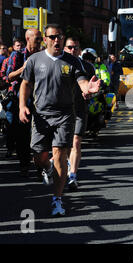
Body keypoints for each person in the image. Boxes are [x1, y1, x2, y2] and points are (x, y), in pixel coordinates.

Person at [19, 24, 101, 216]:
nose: (57, 40)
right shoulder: (34, 60)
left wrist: (87, 89)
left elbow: (81, 82)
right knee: (38, 155)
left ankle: (57, 199)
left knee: (59, 153)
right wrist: (23, 105)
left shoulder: (72, 62)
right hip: (41, 115)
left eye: (60, 37)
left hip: (65, 114)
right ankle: (46, 168)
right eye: (53, 37)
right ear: (46, 39)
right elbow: (25, 84)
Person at [5, 29, 42, 176]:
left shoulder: (43, 55)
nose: (40, 41)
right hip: (20, 100)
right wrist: (24, 67)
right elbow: (9, 77)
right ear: (28, 38)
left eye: (41, 39)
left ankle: (40, 167)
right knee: (22, 135)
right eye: (37, 39)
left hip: (40, 100)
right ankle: (24, 164)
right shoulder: (17, 55)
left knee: (40, 134)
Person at [64, 37, 96, 190]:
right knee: (62, 145)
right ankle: (61, 165)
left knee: (76, 141)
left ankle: (72, 176)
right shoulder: (58, 64)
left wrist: (89, 93)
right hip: (61, 111)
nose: (72, 50)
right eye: (69, 47)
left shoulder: (88, 67)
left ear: (80, 50)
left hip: (80, 109)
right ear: (65, 48)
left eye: (75, 47)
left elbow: (91, 87)